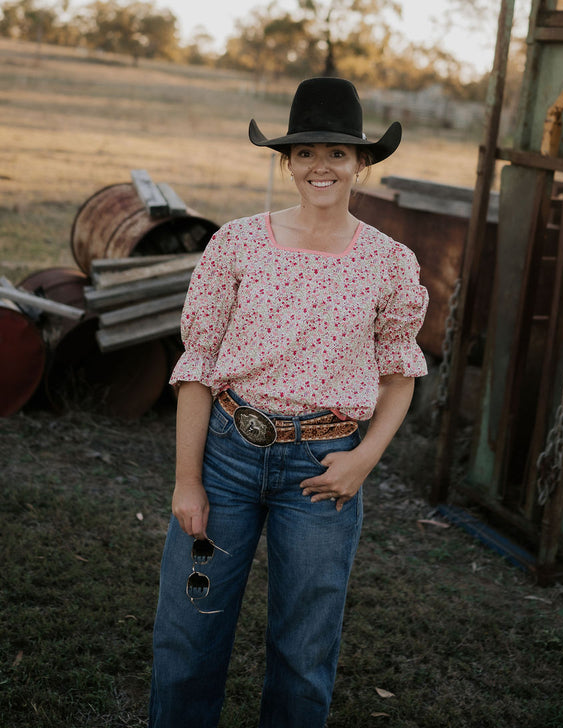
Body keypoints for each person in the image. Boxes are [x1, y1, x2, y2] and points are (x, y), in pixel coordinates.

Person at [149, 77, 428, 728]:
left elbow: (398, 372)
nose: (320, 166)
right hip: (227, 455)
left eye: (336, 153)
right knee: (191, 629)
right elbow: (199, 365)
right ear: (287, 163)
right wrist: (188, 480)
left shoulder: (388, 262)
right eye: (304, 153)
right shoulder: (237, 243)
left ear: (362, 163)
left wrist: (363, 461)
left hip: (324, 468)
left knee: (304, 647)